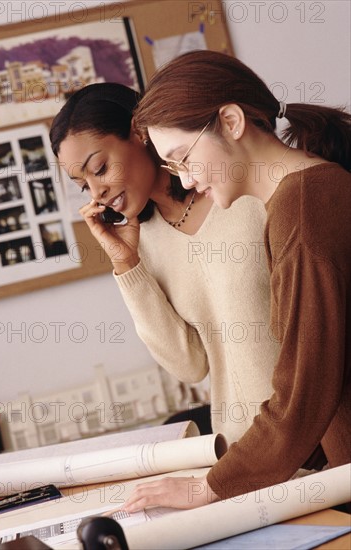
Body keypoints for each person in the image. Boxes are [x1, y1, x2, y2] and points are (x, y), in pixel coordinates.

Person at [121, 50, 351, 512]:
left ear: (230, 121)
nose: (184, 179)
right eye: (171, 167)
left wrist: (209, 487)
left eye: (184, 158)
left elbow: (301, 396)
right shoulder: (308, 192)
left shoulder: (302, 212)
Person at [49, 83, 280, 448]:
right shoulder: (144, 244)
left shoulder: (242, 190)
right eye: (83, 185)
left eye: (101, 168)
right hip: (239, 452)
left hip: (313, 444)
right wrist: (127, 266)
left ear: (140, 132)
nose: (97, 193)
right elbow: (190, 366)